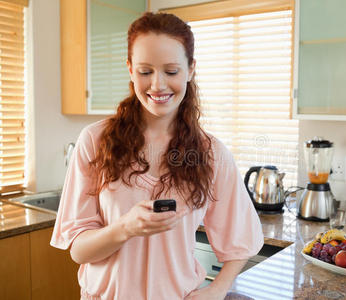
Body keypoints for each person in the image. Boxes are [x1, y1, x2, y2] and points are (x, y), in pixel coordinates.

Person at [50, 12, 264, 300]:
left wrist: (217, 290)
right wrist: (125, 227)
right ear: (130, 70)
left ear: (190, 70)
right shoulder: (95, 141)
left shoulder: (211, 153)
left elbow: (242, 240)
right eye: (145, 71)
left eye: (171, 71)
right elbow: (78, 250)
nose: (157, 85)